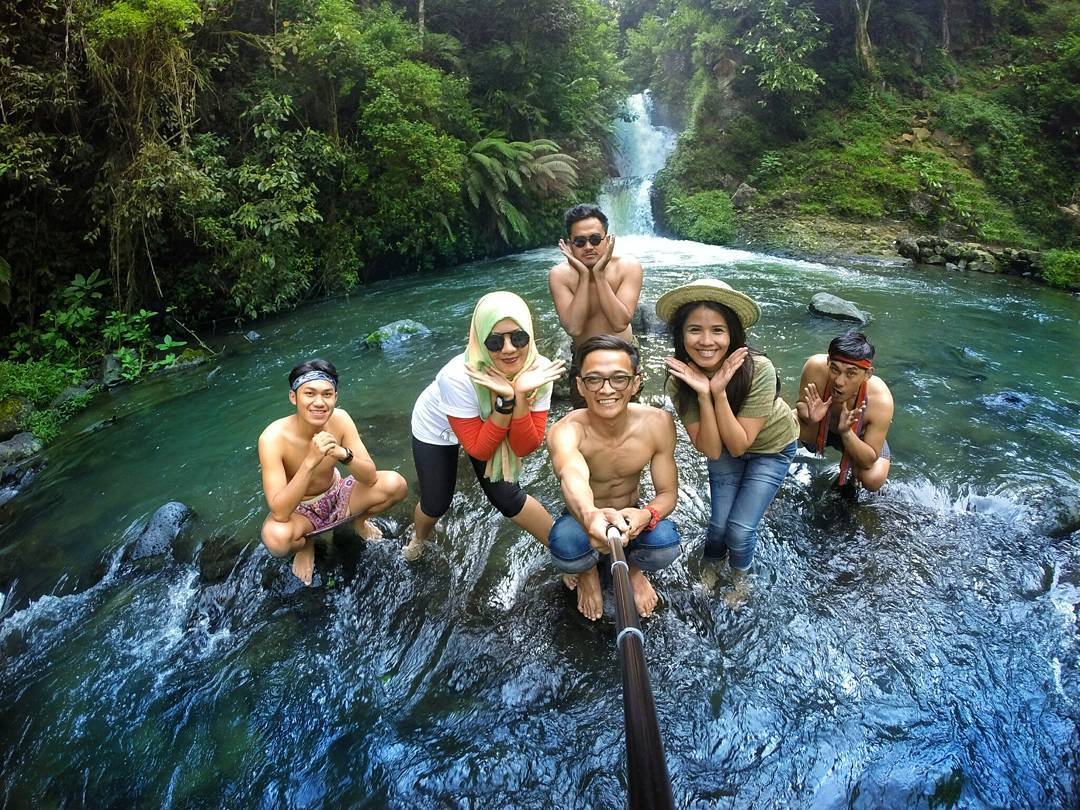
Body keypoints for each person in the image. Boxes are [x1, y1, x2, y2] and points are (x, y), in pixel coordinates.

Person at [658, 279, 797, 608]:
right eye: (695, 330)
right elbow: (712, 449)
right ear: (681, 335)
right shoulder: (681, 384)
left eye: (717, 330)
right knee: (718, 524)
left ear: (732, 334)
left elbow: (738, 445)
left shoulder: (759, 369)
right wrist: (704, 394)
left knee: (738, 528)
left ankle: (740, 577)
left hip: (771, 449)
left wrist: (718, 391)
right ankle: (710, 566)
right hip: (722, 446)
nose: (706, 341)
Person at [403, 291, 565, 561]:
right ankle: (418, 537)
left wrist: (520, 396)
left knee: (507, 496)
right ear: (479, 340)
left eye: (518, 337)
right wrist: (505, 403)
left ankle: (566, 553)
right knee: (436, 502)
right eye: (494, 341)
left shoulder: (539, 372)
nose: (509, 349)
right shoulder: (456, 377)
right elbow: (478, 449)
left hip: (493, 418)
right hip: (438, 426)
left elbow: (525, 446)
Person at [547, 336, 681, 621]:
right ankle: (586, 571)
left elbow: (668, 493)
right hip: (584, 518)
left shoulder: (658, 423)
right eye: (594, 379)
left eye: (619, 379)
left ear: (635, 383)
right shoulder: (566, 430)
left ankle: (634, 569)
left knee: (666, 543)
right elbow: (572, 473)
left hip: (632, 516)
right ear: (581, 386)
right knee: (566, 547)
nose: (606, 389)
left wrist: (646, 515)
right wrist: (589, 515)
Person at [259, 359, 409, 585]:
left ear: (335, 398)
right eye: (309, 393)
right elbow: (280, 512)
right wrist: (310, 462)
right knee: (276, 539)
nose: (319, 402)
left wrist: (342, 454)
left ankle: (359, 522)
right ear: (294, 397)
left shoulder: (341, 419)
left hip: (338, 495)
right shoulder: (272, 438)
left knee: (396, 484)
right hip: (299, 512)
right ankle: (306, 543)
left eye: (327, 394)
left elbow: (370, 478)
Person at [548, 204, 643, 406]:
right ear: (569, 245)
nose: (588, 247)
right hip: (584, 359)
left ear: (607, 240)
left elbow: (619, 322)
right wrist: (584, 275)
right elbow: (574, 327)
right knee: (586, 424)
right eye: (580, 242)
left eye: (595, 239)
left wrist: (598, 275)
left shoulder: (628, 267)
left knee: (629, 421)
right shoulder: (560, 275)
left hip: (624, 354)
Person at [795, 331, 893, 491]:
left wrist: (846, 433)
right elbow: (800, 404)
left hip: (859, 436)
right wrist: (809, 416)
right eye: (834, 369)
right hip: (820, 425)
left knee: (873, 479)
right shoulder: (815, 367)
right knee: (783, 425)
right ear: (828, 362)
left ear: (868, 374)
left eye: (851, 373)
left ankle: (853, 477)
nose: (839, 381)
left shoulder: (881, 399)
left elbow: (869, 460)